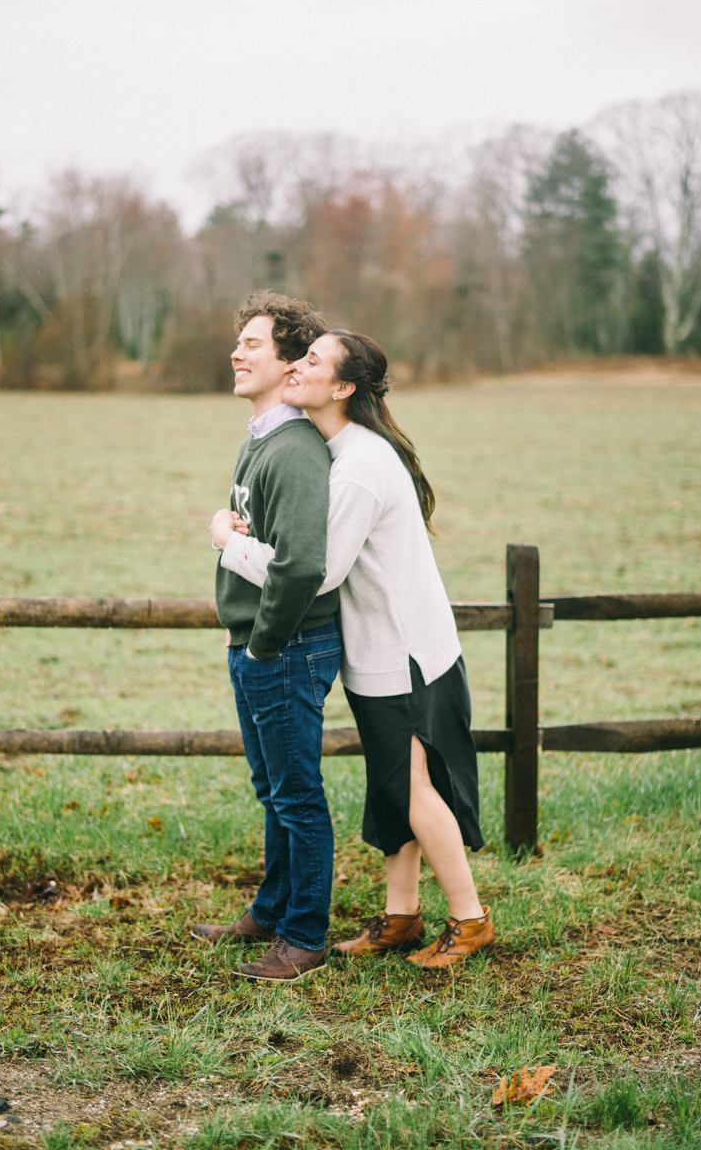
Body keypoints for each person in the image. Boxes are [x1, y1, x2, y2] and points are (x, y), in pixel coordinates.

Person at [218, 329, 494, 968]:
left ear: (341, 387)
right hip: (379, 657)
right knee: (393, 787)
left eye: (312, 360)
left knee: (417, 790)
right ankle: (401, 917)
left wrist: (226, 543)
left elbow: (319, 570)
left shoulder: (363, 465)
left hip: (407, 657)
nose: (298, 366)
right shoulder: (342, 451)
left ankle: (470, 919)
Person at [192, 291, 343, 983]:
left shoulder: (294, 452)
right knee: (273, 789)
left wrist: (263, 645)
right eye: (239, 341)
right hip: (256, 644)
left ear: (289, 368)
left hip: (284, 647)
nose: (237, 352)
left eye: (253, 344)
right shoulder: (262, 441)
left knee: (296, 796)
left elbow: (305, 565)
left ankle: (304, 937)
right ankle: (272, 910)